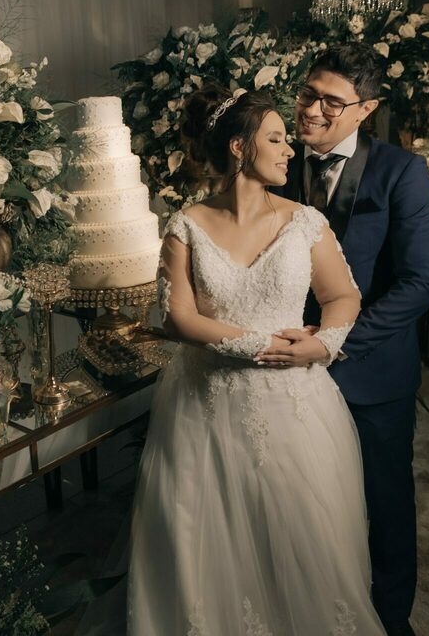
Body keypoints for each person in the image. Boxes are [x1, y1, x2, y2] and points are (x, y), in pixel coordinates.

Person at [127, 84, 386, 635]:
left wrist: (325, 343)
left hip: (294, 408)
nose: (290, 149)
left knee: (302, 540)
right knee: (209, 544)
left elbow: (344, 297)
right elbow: (179, 318)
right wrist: (257, 344)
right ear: (240, 148)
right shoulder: (186, 226)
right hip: (203, 409)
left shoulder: (305, 222)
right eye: (276, 138)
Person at [273, 43, 429, 636]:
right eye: (307, 94)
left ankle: (390, 620)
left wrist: (336, 340)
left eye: (331, 102)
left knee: (384, 504)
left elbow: (423, 280)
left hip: (370, 373)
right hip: (283, 366)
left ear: (365, 109)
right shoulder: (273, 160)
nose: (312, 111)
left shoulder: (402, 171)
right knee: (301, 501)